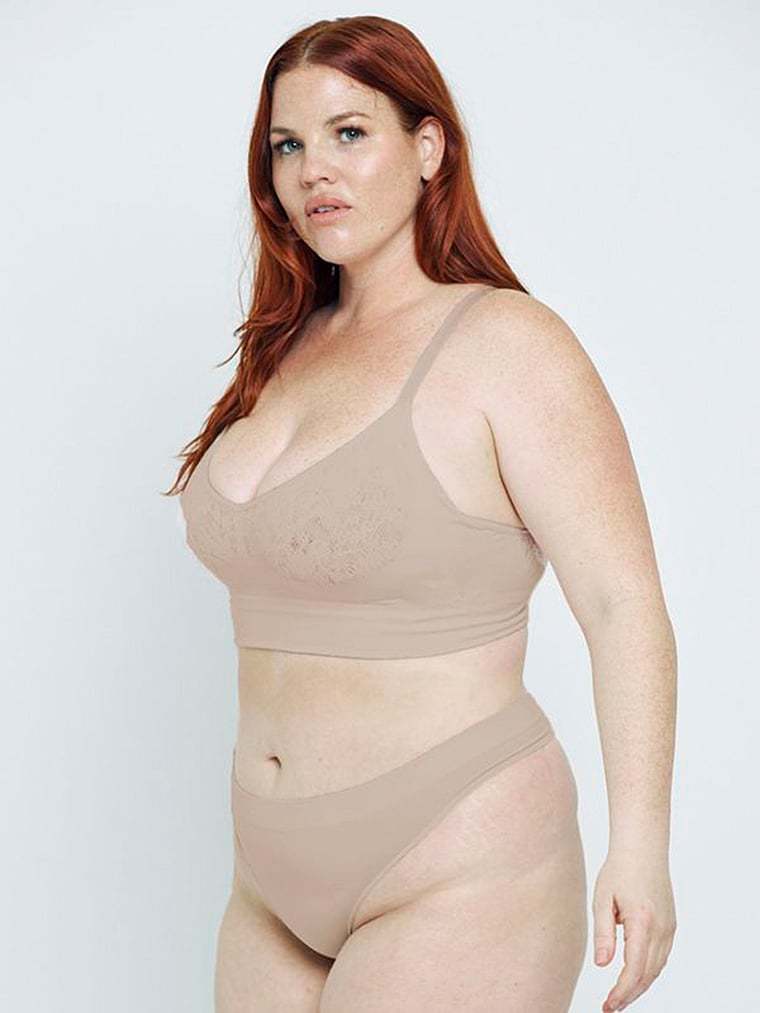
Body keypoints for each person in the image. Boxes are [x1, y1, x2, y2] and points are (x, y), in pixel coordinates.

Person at [165, 15, 677, 1013]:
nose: (314, 169)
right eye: (287, 145)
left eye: (350, 132)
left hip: (458, 857)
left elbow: (623, 605)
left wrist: (641, 846)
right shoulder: (282, 346)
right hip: (267, 881)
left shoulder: (507, 343)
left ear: (429, 146)